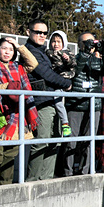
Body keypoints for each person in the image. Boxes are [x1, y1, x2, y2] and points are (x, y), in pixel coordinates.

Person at [0, 37, 39, 186]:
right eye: (4, 48)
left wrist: (18, 46)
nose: (7, 52)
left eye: (11, 49)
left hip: (16, 116)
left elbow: (33, 63)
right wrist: (6, 88)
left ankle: (6, 186)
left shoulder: (18, 67)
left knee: (10, 155)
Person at [23, 19, 73, 182]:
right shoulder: (29, 50)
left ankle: (46, 179)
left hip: (53, 100)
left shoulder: (45, 52)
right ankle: (32, 182)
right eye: (38, 32)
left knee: (55, 141)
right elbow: (45, 73)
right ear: (28, 32)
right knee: (42, 141)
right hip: (41, 101)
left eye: (45, 33)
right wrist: (66, 83)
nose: (42, 35)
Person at [62, 32, 104, 175]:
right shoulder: (73, 58)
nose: (90, 45)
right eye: (86, 42)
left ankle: (86, 171)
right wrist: (85, 53)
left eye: (92, 42)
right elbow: (75, 70)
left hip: (94, 106)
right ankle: (67, 171)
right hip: (75, 105)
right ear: (79, 44)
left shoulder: (98, 60)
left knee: (89, 141)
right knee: (71, 141)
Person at [46, 30, 76, 137]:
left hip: (63, 81)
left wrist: (67, 60)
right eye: (53, 41)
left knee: (58, 101)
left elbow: (73, 64)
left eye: (59, 41)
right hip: (52, 82)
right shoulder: (48, 53)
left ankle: (65, 124)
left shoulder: (67, 53)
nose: (56, 44)